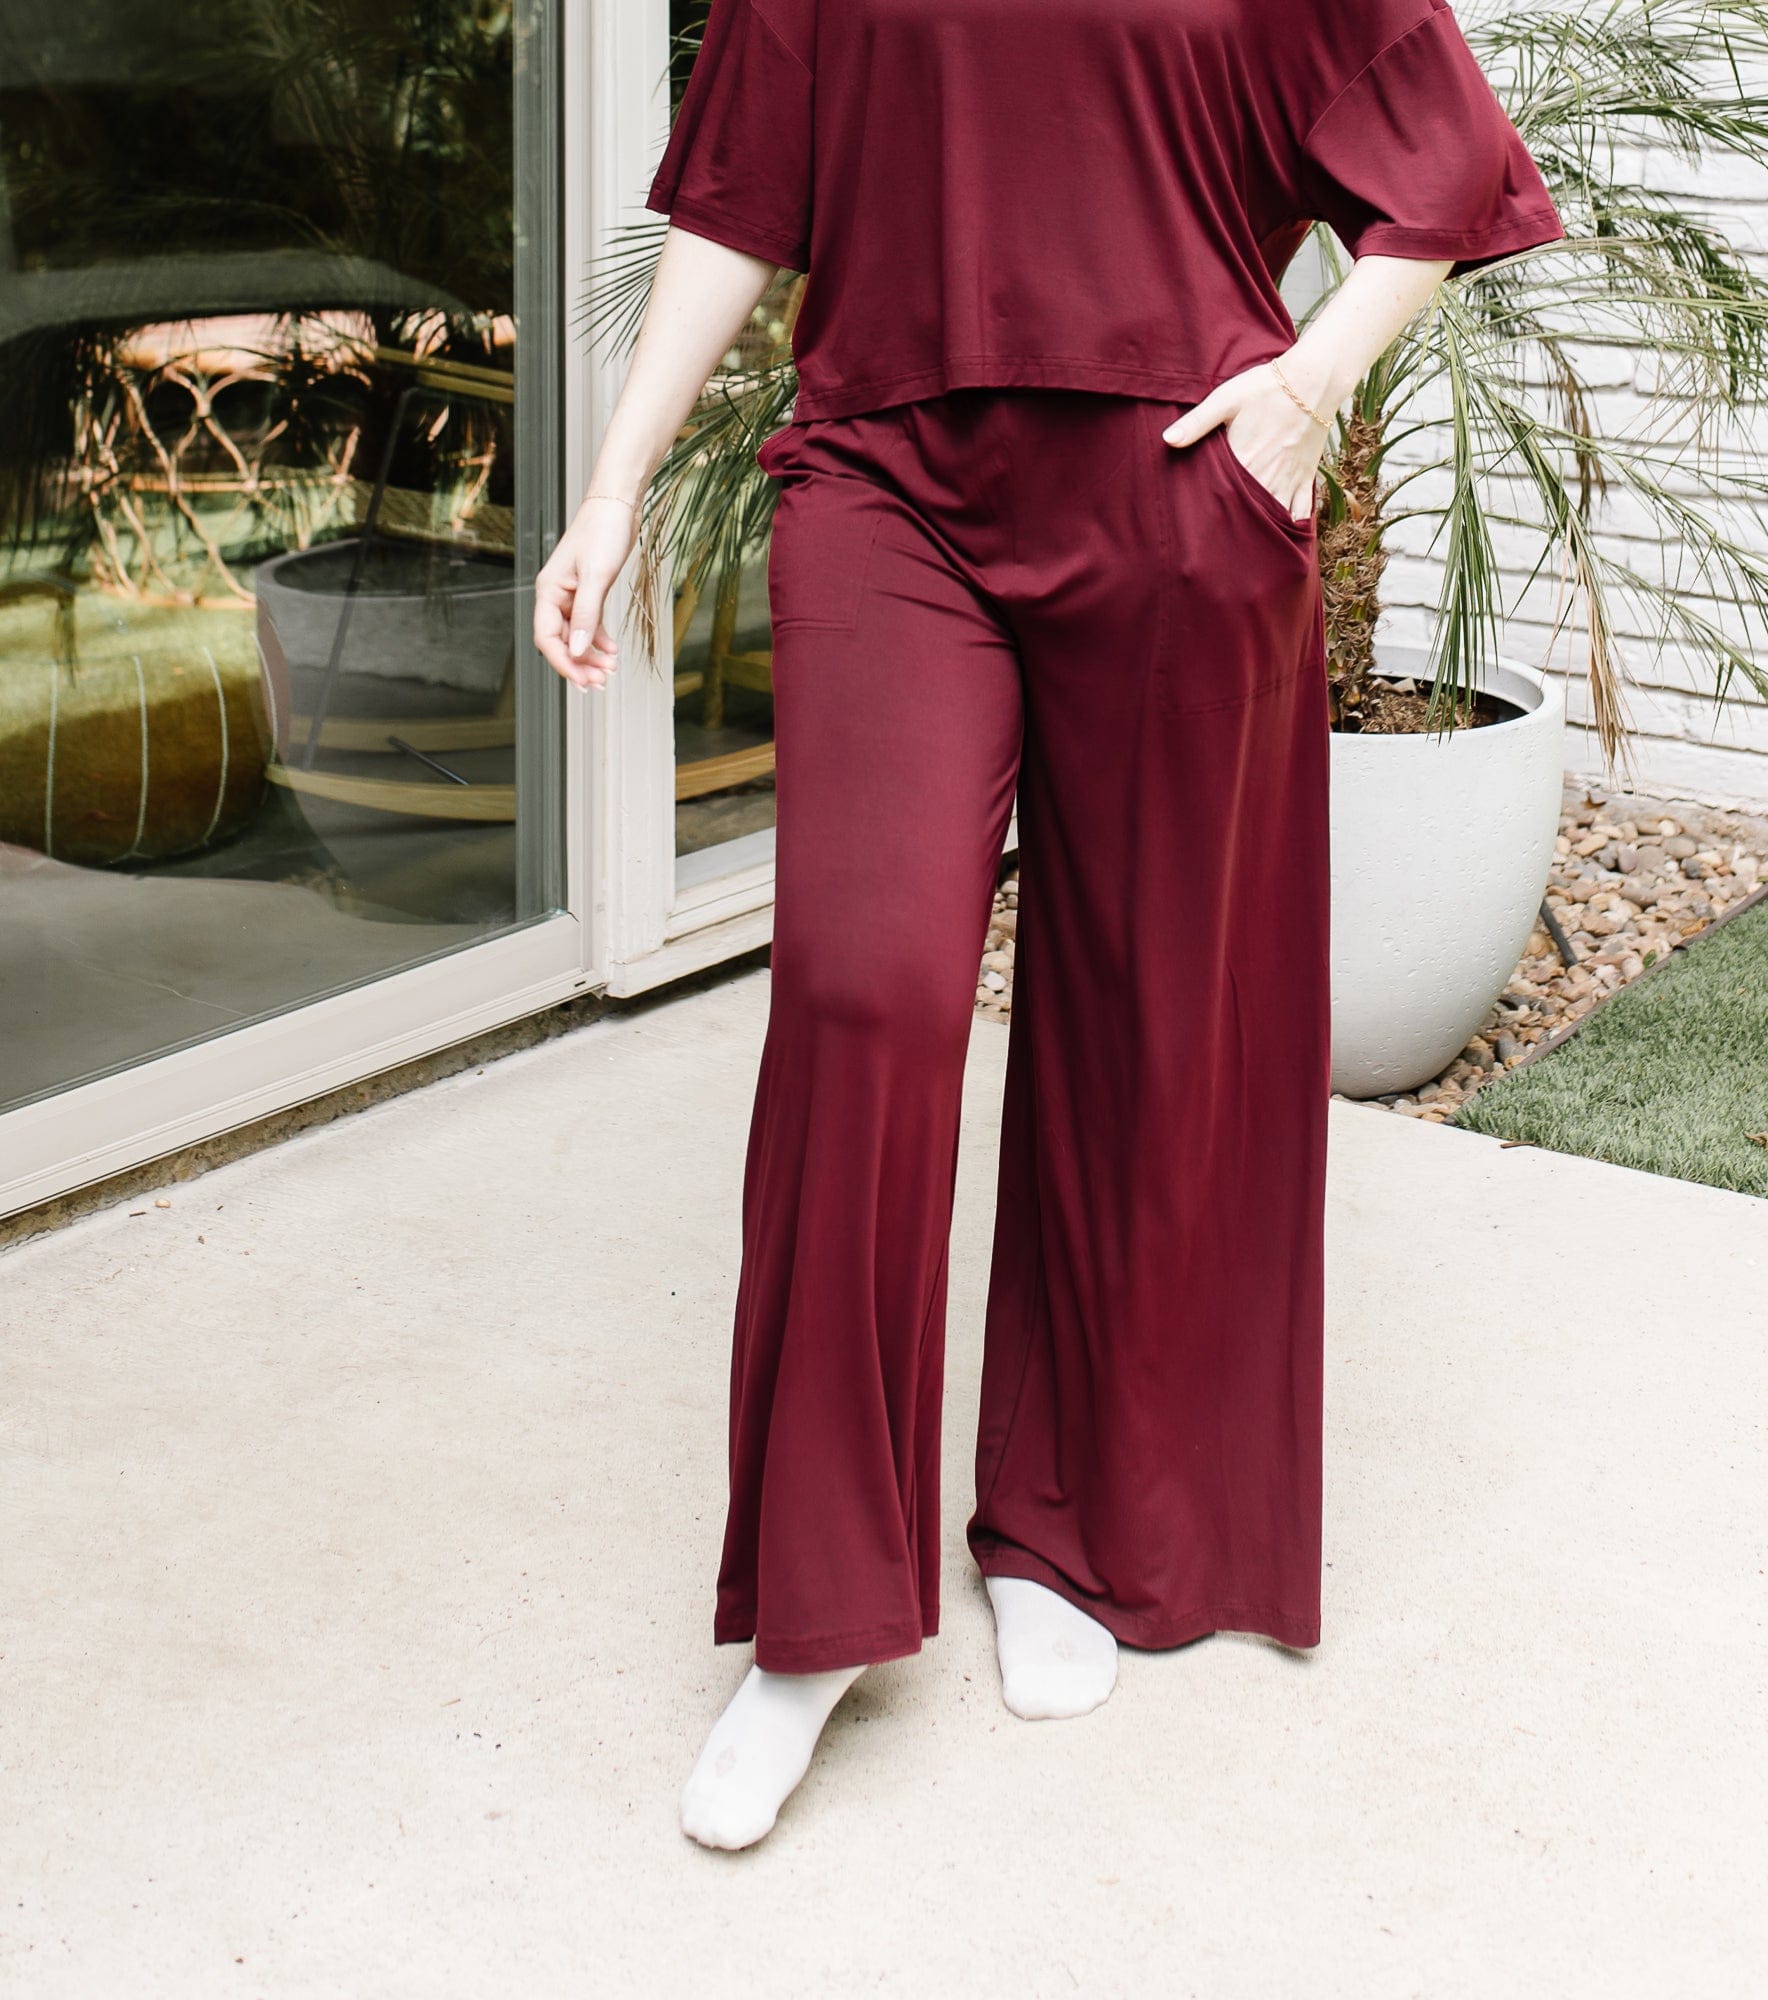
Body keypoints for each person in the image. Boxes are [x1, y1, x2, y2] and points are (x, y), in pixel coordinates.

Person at [533, 0, 1563, 1852]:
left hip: (1178, 486)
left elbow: (1446, 166)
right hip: (885, 491)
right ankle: (815, 1614)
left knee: (1143, 1025)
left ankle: (1067, 1533)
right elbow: (740, 197)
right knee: (865, 990)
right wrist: (612, 488)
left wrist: (1311, 379)